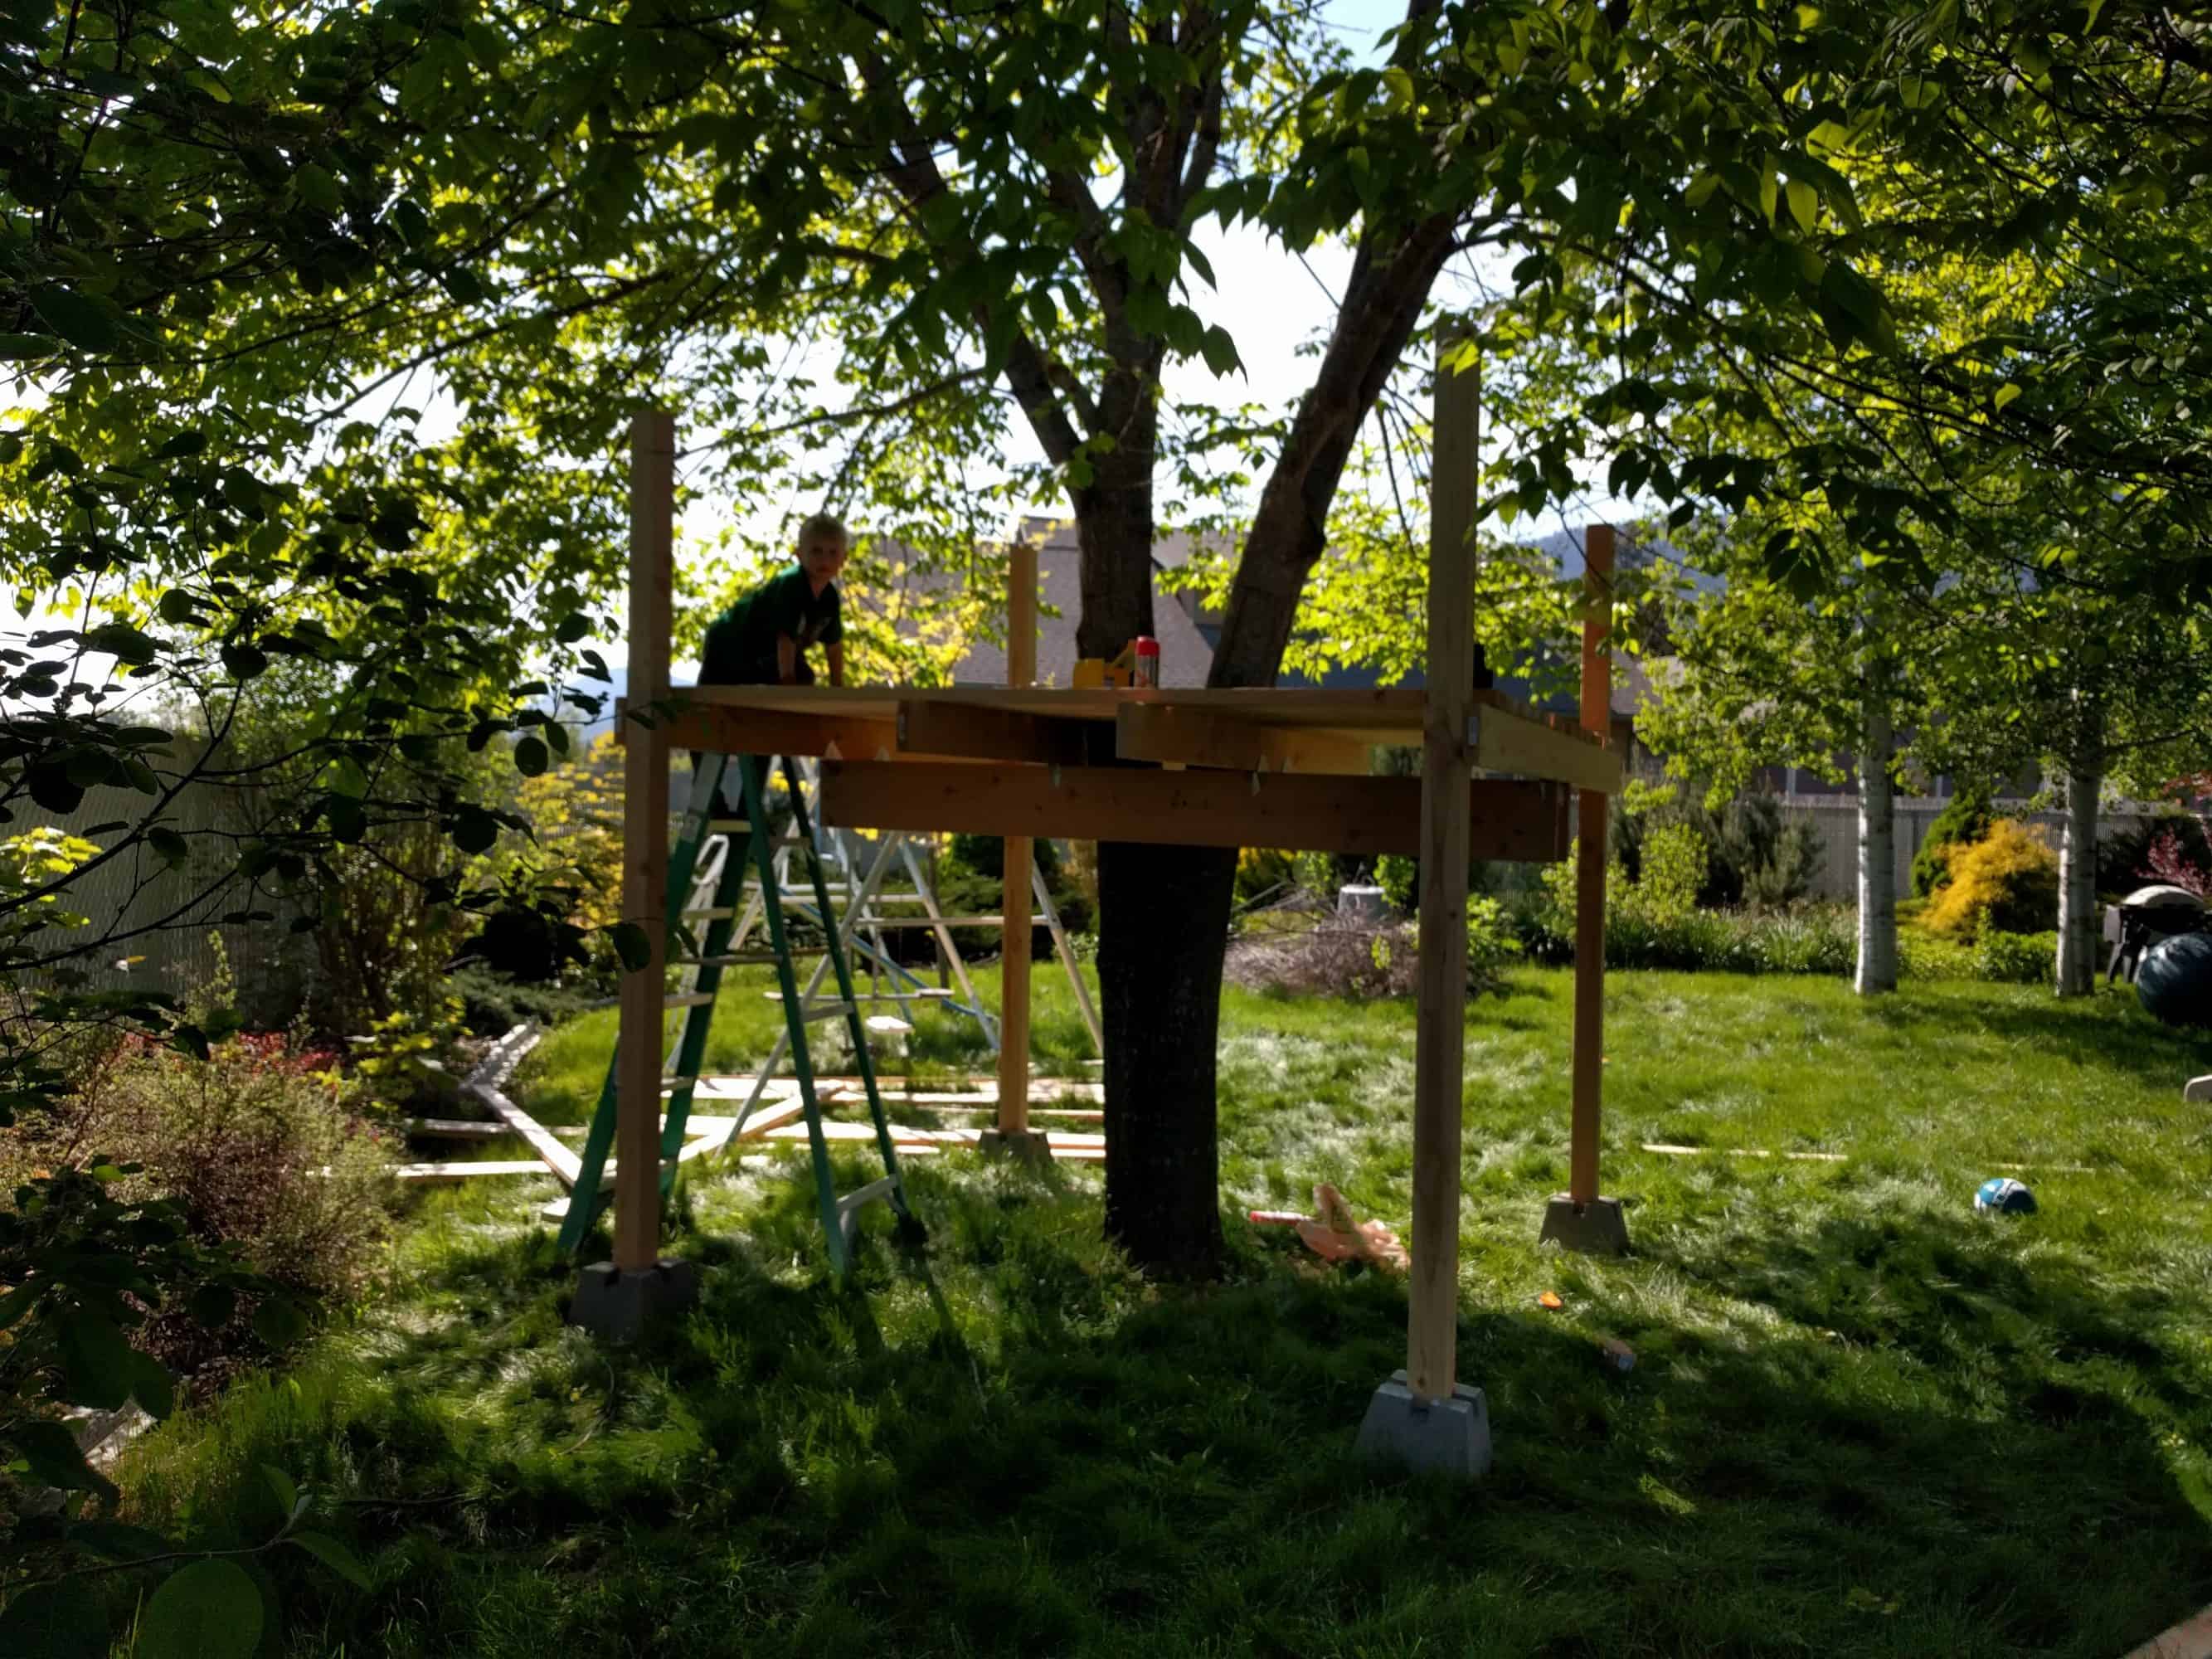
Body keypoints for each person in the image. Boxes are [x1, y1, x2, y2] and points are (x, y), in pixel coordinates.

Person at [699, 513, 849, 689]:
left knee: (804, 676)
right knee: (714, 696)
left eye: (833, 553)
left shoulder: (829, 598)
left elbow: (834, 647)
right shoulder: (792, 584)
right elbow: (785, 638)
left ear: (843, 559)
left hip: (765, 652)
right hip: (730, 640)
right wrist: (787, 682)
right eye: (816, 551)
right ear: (799, 555)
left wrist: (837, 687)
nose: (825, 559)